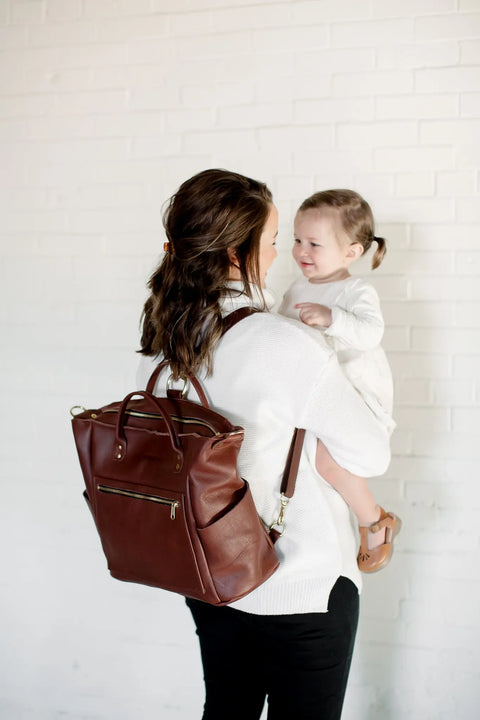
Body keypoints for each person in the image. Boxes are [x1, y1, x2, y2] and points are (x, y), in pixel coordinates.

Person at [137, 169, 391, 720]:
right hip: (300, 585)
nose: (280, 254)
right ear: (237, 250)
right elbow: (371, 455)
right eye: (274, 240)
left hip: (209, 576)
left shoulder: (165, 340)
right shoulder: (284, 341)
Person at [279, 189, 401, 573]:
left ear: (351, 252)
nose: (302, 251)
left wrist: (333, 317)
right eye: (297, 240)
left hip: (357, 395)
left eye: (314, 243)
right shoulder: (296, 288)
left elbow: (370, 333)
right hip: (315, 394)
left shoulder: (355, 290)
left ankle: (374, 520)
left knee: (328, 463)